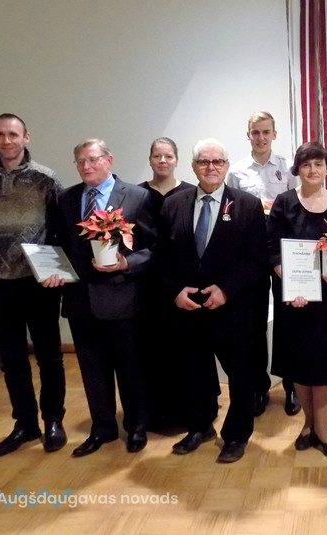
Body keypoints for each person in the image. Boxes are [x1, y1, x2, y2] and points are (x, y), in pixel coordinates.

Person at [0, 113, 66, 458]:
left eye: (13, 134)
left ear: (26, 137)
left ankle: (53, 420)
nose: (7, 141)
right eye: (0, 134)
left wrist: (57, 270)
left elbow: (59, 230)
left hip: (39, 282)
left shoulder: (46, 179)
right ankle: (25, 424)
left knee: (49, 356)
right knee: (11, 359)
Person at [158, 138, 267, 463]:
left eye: (217, 161)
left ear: (226, 165)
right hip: (189, 307)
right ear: (193, 167)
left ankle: (236, 435)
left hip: (232, 309)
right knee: (194, 372)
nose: (211, 167)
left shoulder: (247, 205)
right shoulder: (173, 205)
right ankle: (200, 426)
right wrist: (175, 291)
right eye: (204, 162)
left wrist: (226, 289)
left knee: (241, 375)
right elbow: (161, 257)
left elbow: (257, 260)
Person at [48, 139, 154, 457]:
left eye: (93, 159)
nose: (86, 166)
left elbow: (153, 247)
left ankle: (136, 426)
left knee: (130, 368)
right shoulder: (66, 199)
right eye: (80, 161)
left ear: (109, 160)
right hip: (81, 301)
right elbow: (58, 244)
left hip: (123, 298)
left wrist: (127, 263)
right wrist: (51, 269)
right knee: (92, 370)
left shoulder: (136, 196)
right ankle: (103, 428)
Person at [266, 141, 327, 459]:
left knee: (326, 365)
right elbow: (271, 248)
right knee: (300, 364)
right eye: (306, 164)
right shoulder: (284, 202)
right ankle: (308, 424)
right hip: (296, 299)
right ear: (297, 169)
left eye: (319, 164)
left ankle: (324, 429)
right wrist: (289, 284)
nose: (313, 170)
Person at [226, 111, 300, 417]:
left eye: (266, 132)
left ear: (274, 134)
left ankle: (292, 385)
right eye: (255, 132)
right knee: (253, 323)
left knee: (289, 321)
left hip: (282, 252)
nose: (261, 138)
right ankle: (259, 386)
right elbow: (231, 213)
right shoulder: (236, 171)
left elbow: (297, 207)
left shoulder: (288, 168)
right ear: (248, 135)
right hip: (252, 254)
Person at [136, 137, 196, 429]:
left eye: (168, 156)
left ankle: (187, 411)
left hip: (181, 283)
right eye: (157, 156)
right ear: (150, 159)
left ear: (176, 160)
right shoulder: (137, 195)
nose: (162, 161)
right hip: (147, 284)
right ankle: (153, 412)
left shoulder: (190, 193)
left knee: (183, 349)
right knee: (151, 349)